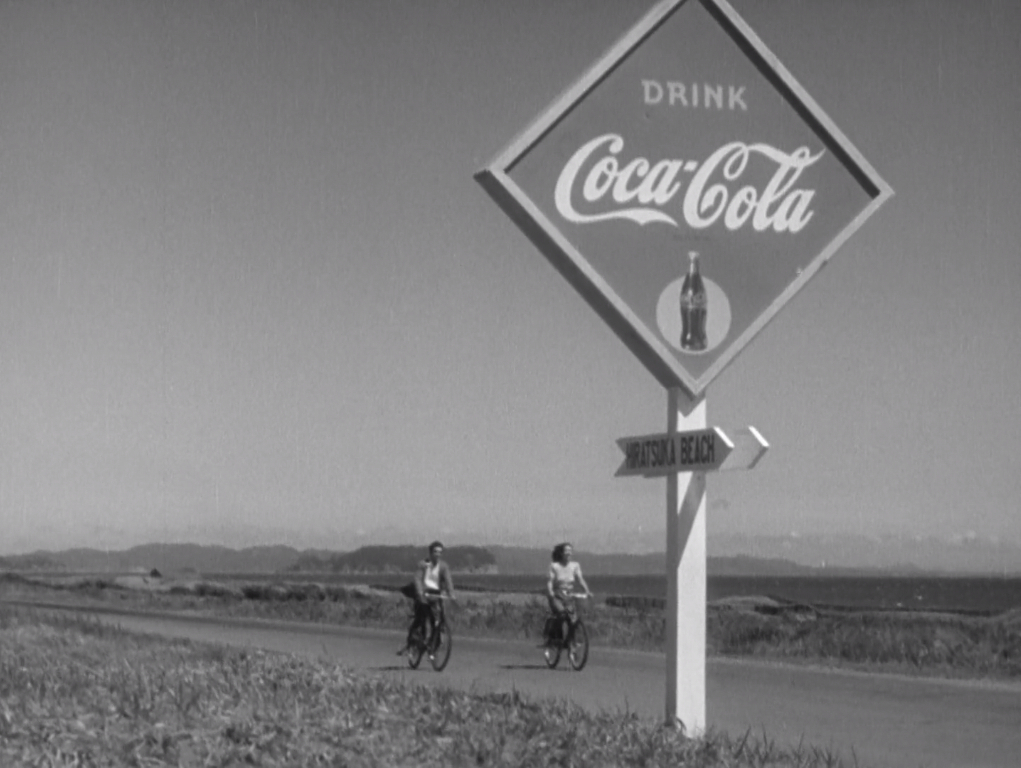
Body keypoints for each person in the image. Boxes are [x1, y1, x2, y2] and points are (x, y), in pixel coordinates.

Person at [398, 540, 455, 655]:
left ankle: (434, 644)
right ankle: (412, 641)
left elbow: (448, 580)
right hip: (423, 594)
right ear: (430, 552)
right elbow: (417, 579)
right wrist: (419, 593)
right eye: (435, 551)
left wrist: (451, 593)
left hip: (436, 594)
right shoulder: (423, 565)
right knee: (421, 617)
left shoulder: (443, 567)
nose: (437, 554)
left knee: (437, 619)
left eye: (440, 552)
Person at [545, 542, 592, 645]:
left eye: (570, 551)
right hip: (557, 596)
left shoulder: (575, 565)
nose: (568, 553)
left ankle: (570, 640)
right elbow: (550, 582)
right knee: (561, 614)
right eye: (566, 551)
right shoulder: (554, 566)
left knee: (572, 619)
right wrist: (551, 593)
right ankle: (554, 637)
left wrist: (587, 591)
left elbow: (580, 579)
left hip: (569, 596)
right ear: (561, 553)